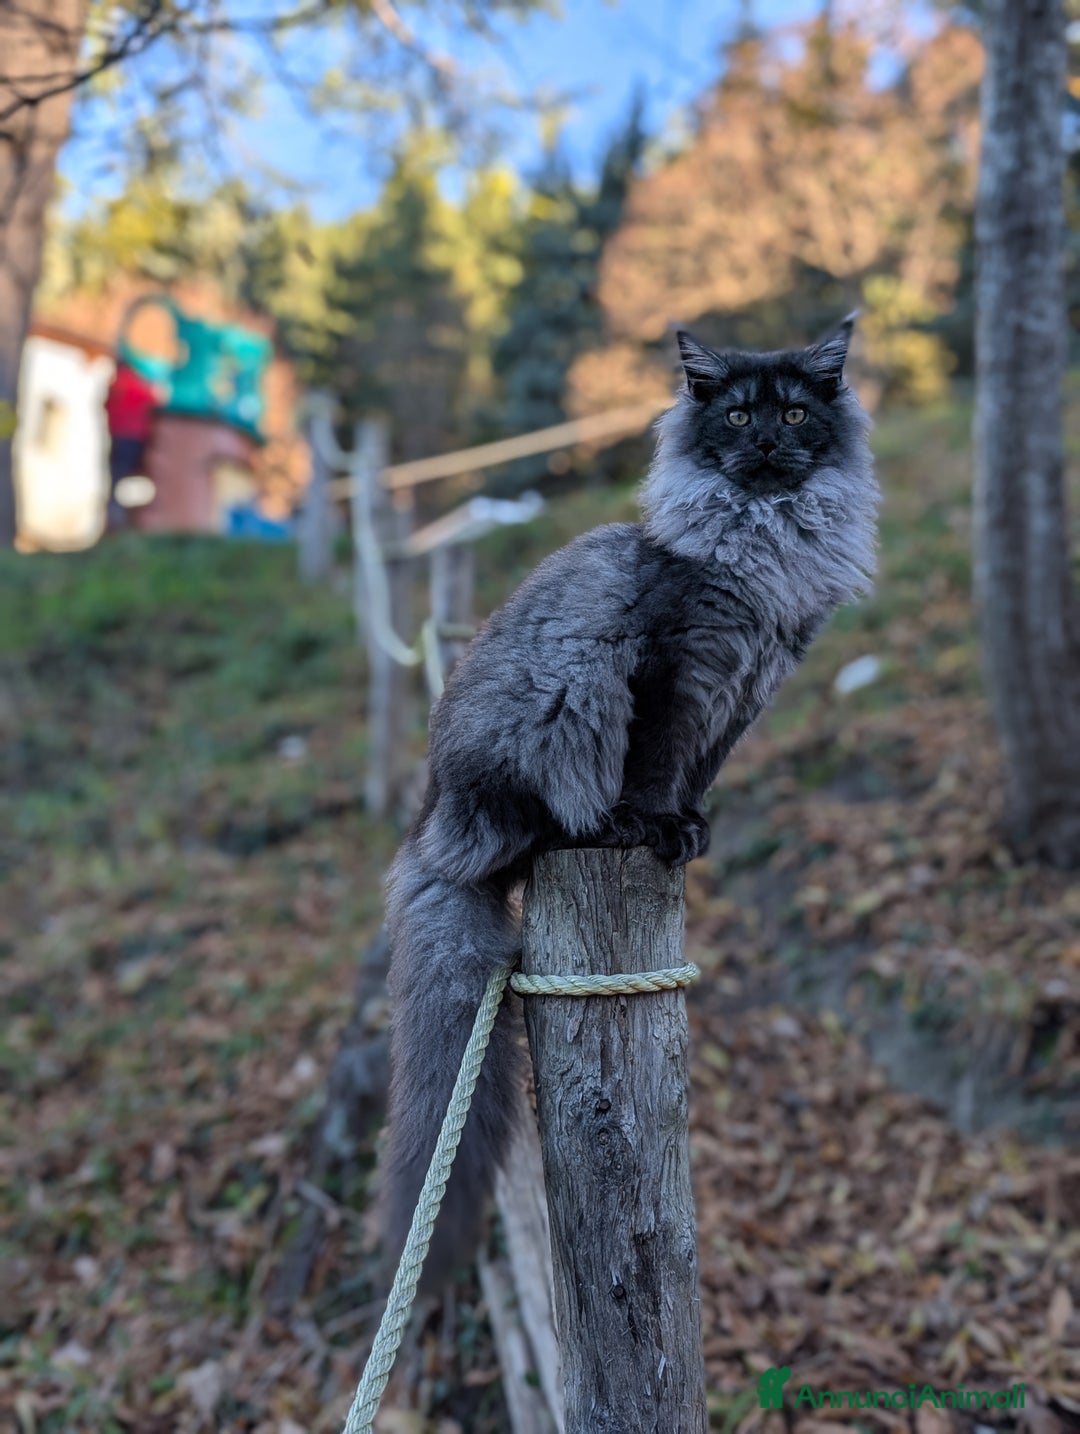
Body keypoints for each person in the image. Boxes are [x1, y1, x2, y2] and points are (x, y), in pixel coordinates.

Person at [104, 359, 161, 531]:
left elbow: (106, 406)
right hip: (136, 439)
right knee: (136, 481)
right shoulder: (139, 385)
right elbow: (154, 405)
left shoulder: (115, 386)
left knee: (117, 480)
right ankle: (133, 521)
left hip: (118, 438)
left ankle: (114, 520)